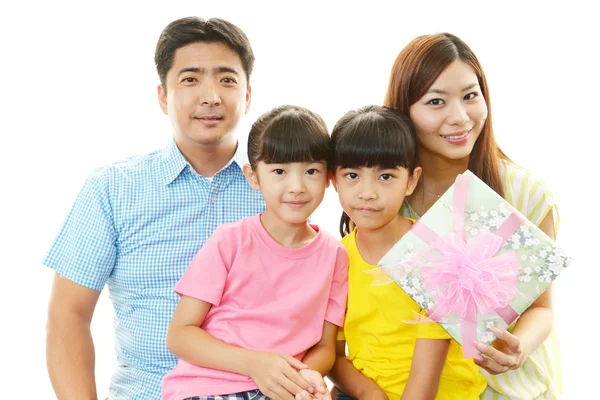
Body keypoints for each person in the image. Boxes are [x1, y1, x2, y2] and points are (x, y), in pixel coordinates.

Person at [43, 17, 266, 399]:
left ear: (247, 96)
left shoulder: (280, 189)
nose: (210, 95)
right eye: (191, 79)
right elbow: (69, 315)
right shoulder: (113, 189)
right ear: (163, 95)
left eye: (227, 79)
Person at [384, 33, 560, 399]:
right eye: (436, 101)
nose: (460, 117)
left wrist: (518, 348)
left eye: (470, 95)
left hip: (508, 388)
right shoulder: (385, 196)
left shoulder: (526, 193)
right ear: (404, 111)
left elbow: (542, 307)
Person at [161, 104, 348, 400]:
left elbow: (325, 347)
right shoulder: (230, 241)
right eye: (279, 171)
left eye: (311, 170)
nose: (297, 186)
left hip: (282, 390)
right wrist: (255, 364)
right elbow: (180, 334)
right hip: (207, 389)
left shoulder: (335, 256)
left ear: (329, 177)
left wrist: (304, 379)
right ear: (254, 177)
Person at [327, 105, 486, 399]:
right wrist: (367, 392)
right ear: (333, 180)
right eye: (352, 175)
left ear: (411, 180)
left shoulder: (437, 252)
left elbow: (425, 380)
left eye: (385, 177)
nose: (367, 192)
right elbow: (331, 354)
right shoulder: (335, 258)